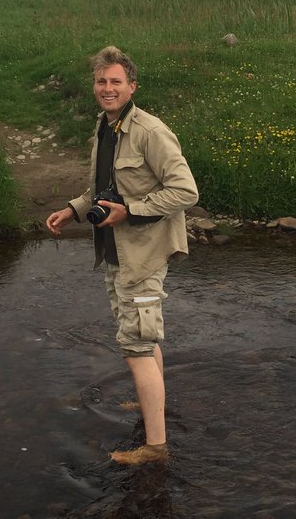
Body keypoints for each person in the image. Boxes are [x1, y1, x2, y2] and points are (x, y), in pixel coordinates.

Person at [46, 46, 198, 465]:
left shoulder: (149, 131)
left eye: (116, 81)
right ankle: (155, 407)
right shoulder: (105, 127)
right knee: (144, 341)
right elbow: (102, 191)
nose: (107, 88)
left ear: (132, 86)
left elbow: (187, 191)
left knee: (135, 346)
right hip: (115, 253)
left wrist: (131, 212)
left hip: (143, 256)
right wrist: (74, 209)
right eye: (101, 81)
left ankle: (155, 448)